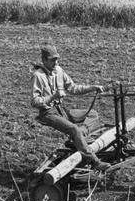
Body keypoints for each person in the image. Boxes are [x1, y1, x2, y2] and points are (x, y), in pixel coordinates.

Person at [31, 43, 111, 171]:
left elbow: (73, 88)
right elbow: (34, 102)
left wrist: (93, 87)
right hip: (48, 113)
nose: (56, 62)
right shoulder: (38, 76)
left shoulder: (59, 71)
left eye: (57, 59)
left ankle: (80, 136)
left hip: (62, 110)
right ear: (44, 60)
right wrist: (52, 96)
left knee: (93, 114)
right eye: (52, 60)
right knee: (74, 129)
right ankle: (94, 162)